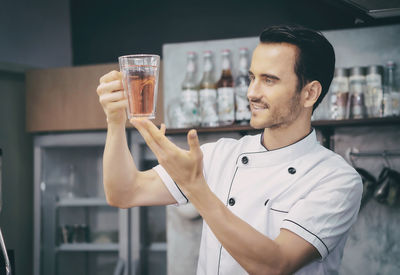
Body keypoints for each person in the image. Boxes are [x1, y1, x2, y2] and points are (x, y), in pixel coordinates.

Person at [96, 25, 362, 275]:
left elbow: (276, 265)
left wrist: (196, 187)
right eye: (252, 78)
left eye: (269, 80)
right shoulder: (221, 154)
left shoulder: (336, 179)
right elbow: (124, 192)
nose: (251, 92)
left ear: (309, 93)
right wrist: (115, 121)